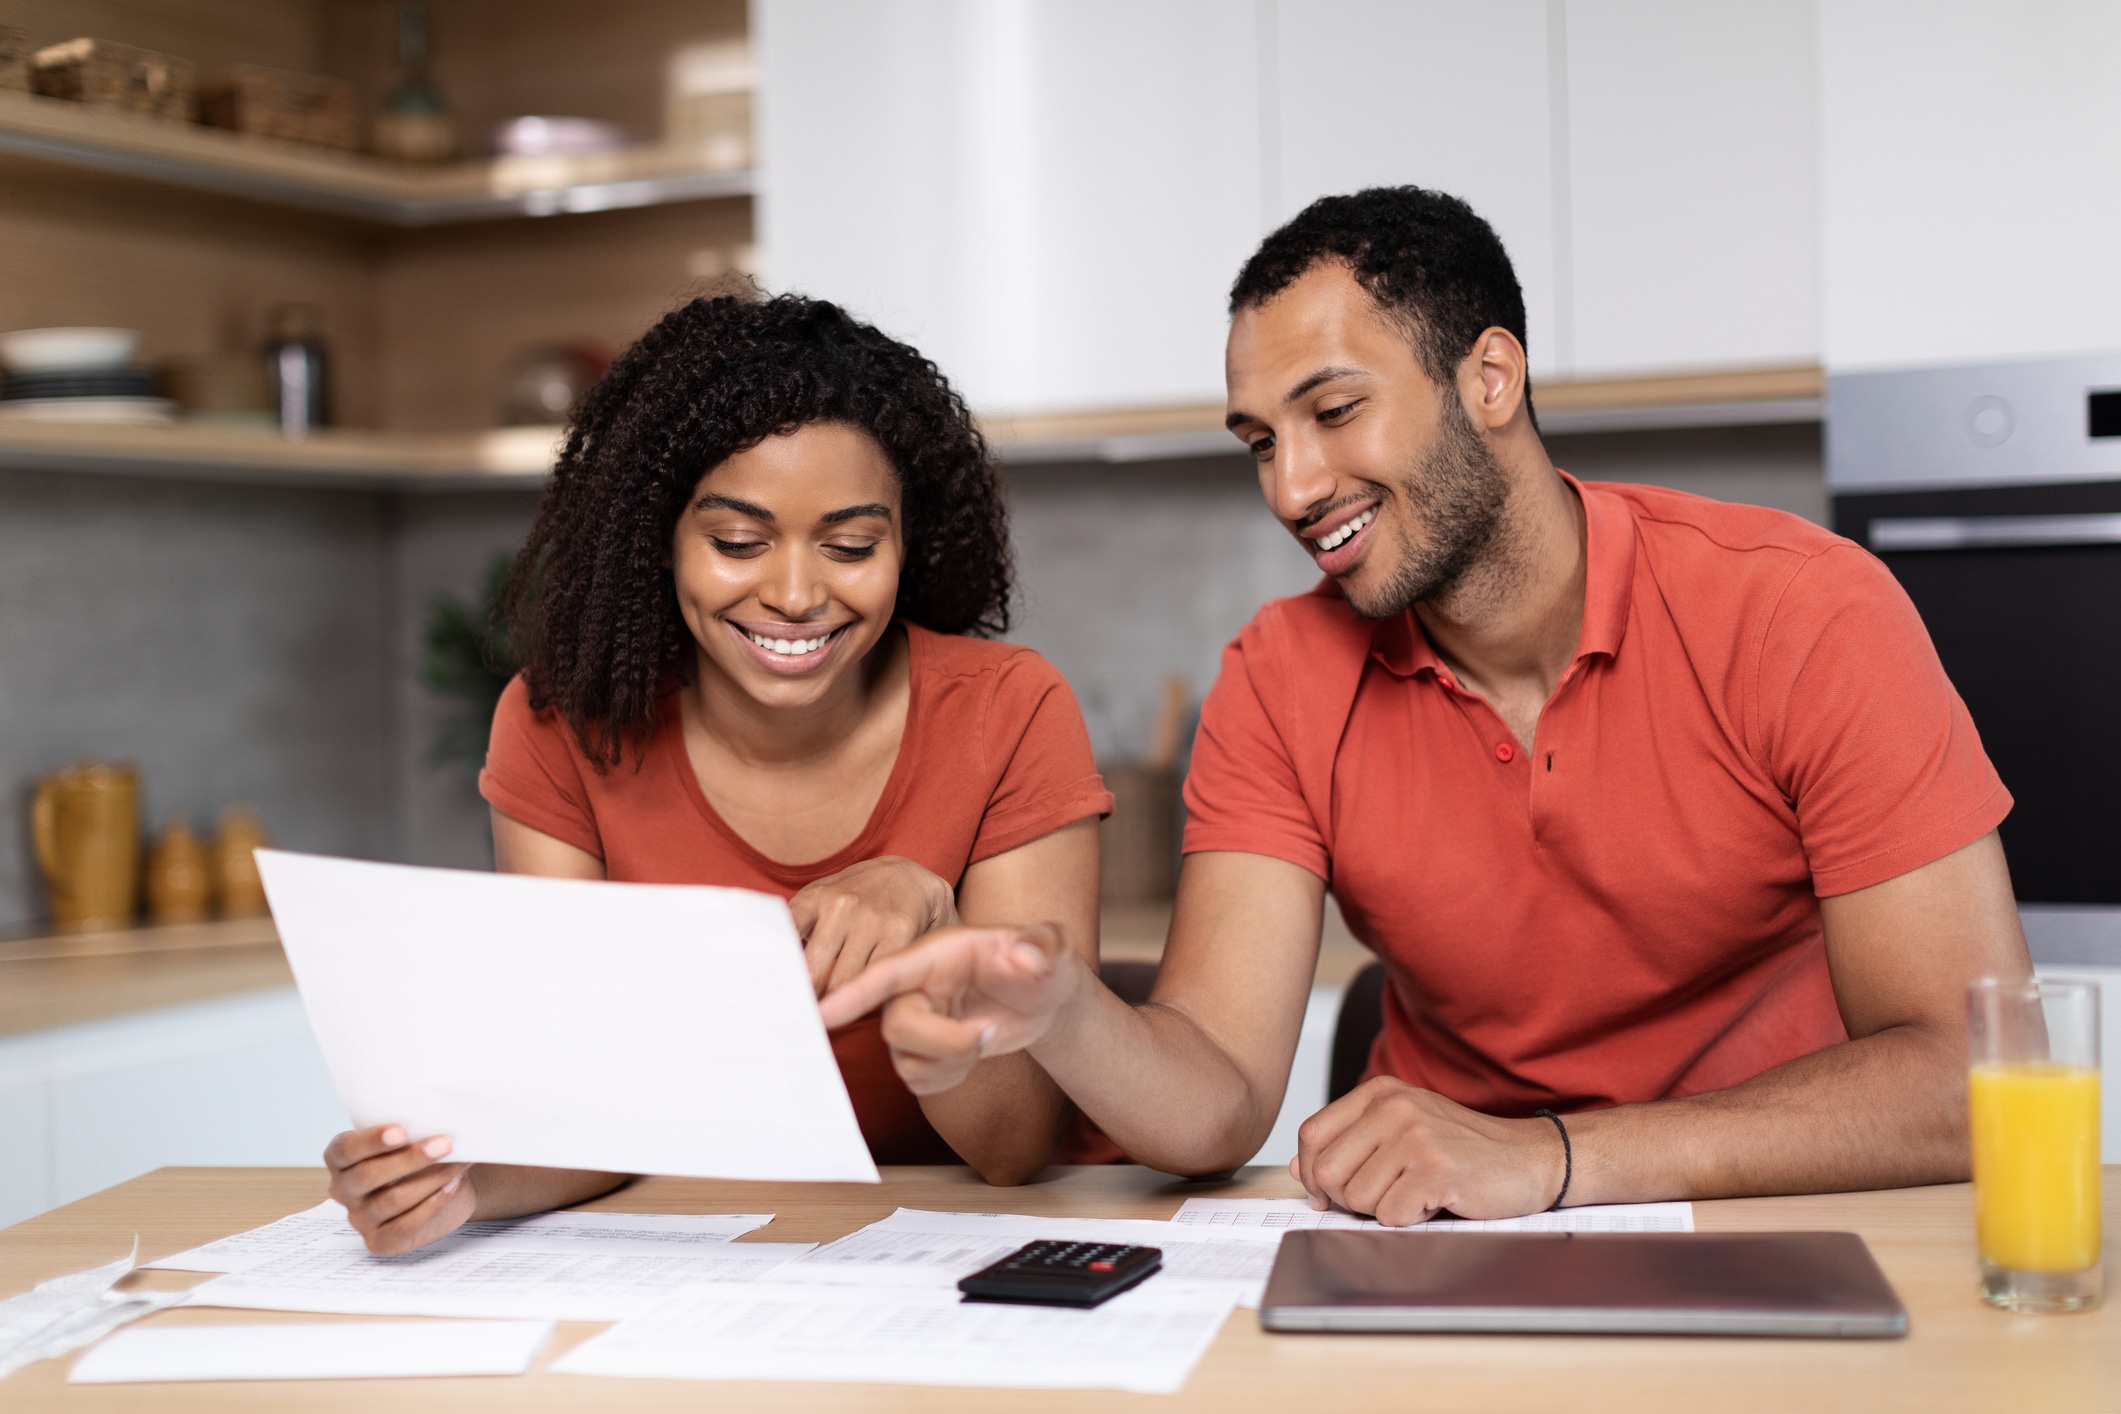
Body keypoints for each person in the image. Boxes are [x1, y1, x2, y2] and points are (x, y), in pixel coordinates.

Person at [825, 186, 2033, 1225]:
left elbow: (1969, 1073)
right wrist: (1066, 1011)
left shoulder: (1801, 611)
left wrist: (1556, 1157)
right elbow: (1216, 1098)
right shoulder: (1281, 676)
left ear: (1490, 378)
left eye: (1334, 412)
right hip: (1440, 1232)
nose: (1292, 487)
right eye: (1260, 439)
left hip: (1780, 1220)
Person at [325, 294, 1111, 1254]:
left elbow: (1014, 1147)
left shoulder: (1008, 711)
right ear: (659, 537)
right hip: (709, 1255)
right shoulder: (560, 724)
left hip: (959, 1246)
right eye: (737, 543)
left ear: (906, 542)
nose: (792, 594)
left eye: (852, 546)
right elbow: (594, 1103)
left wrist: (934, 927)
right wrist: (463, 1184)